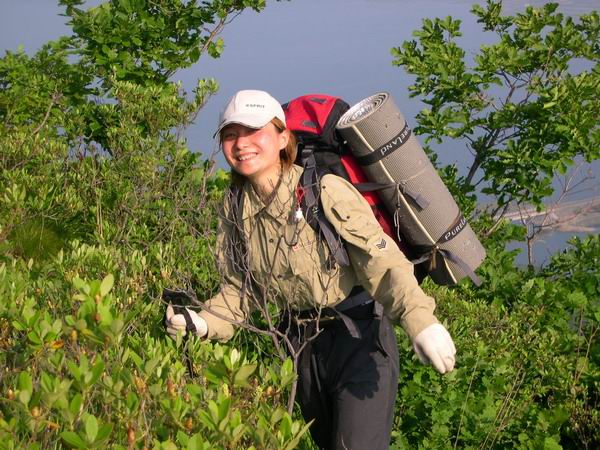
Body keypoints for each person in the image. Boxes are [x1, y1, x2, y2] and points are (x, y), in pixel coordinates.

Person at [165, 89, 456, 450]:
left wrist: (421, 321)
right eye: (231, 134)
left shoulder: (323, 190)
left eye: (254, 131)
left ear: (282, 138)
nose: (241, 144)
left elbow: (381, 263)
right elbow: (242, 287)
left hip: (359, 339)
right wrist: (205, 321)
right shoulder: (235, 205)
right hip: (300, 347)